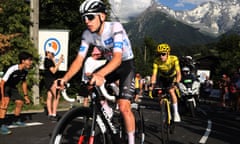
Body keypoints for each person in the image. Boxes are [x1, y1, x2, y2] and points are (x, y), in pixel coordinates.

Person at [55, 0, 136, 143]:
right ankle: (106, 110)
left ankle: (131, 140)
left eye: (90, 17)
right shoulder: (87, 34)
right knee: (89, 83)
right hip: (110, 64)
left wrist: (100, 74)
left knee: (124, 107)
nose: (86, 21)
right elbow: (79, 60)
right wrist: (65, 79)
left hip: (125, 64)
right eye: (84, 18)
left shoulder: (115, 28)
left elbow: (117, 59)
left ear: (102, 16)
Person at [0, 52, 33, 135]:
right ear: (23, 61)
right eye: (29, 60)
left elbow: (24, 83)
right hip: (4, 85)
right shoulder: (13, 69)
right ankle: (1, 125)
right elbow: (2, 83)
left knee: (20, 102)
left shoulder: (25, 71)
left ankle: (16, 120)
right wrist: (2, 97)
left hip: (12, 87)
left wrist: (26, 96)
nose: (31, 62)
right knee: (5, 103)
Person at [150, 43, 182, 122]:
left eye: (163, 54)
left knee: (171, 91)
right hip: (163, 78)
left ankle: (175, 112)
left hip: (172, 77)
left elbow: (178, 73)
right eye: (159, 54)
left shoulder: (174, 59)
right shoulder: (156, 61)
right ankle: (164, 112)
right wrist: (152, 84)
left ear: (168, 54)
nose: (161, 56)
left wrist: (177, 82)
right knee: (160, 94)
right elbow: (154, 74)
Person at [44, 47, 64, 121]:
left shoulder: (49, 60)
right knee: (56, 96)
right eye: (52, 54)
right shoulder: (48, 61)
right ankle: (54, 114)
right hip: (51, 80)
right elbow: (54, 71)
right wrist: (59, 62)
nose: (53, 55)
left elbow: (56, 68)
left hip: (48, 80)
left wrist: (55, 61)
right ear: (48, 53)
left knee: (50, 96)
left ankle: (50, 113)